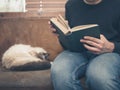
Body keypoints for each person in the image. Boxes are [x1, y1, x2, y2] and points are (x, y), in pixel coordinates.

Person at [50, 0, 120, 90]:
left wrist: (111, 47)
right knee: (59, 71)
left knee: (99, 75)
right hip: (76, 52)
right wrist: (61, 35)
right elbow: (68, 44)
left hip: (108, 53)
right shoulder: (71, 5)